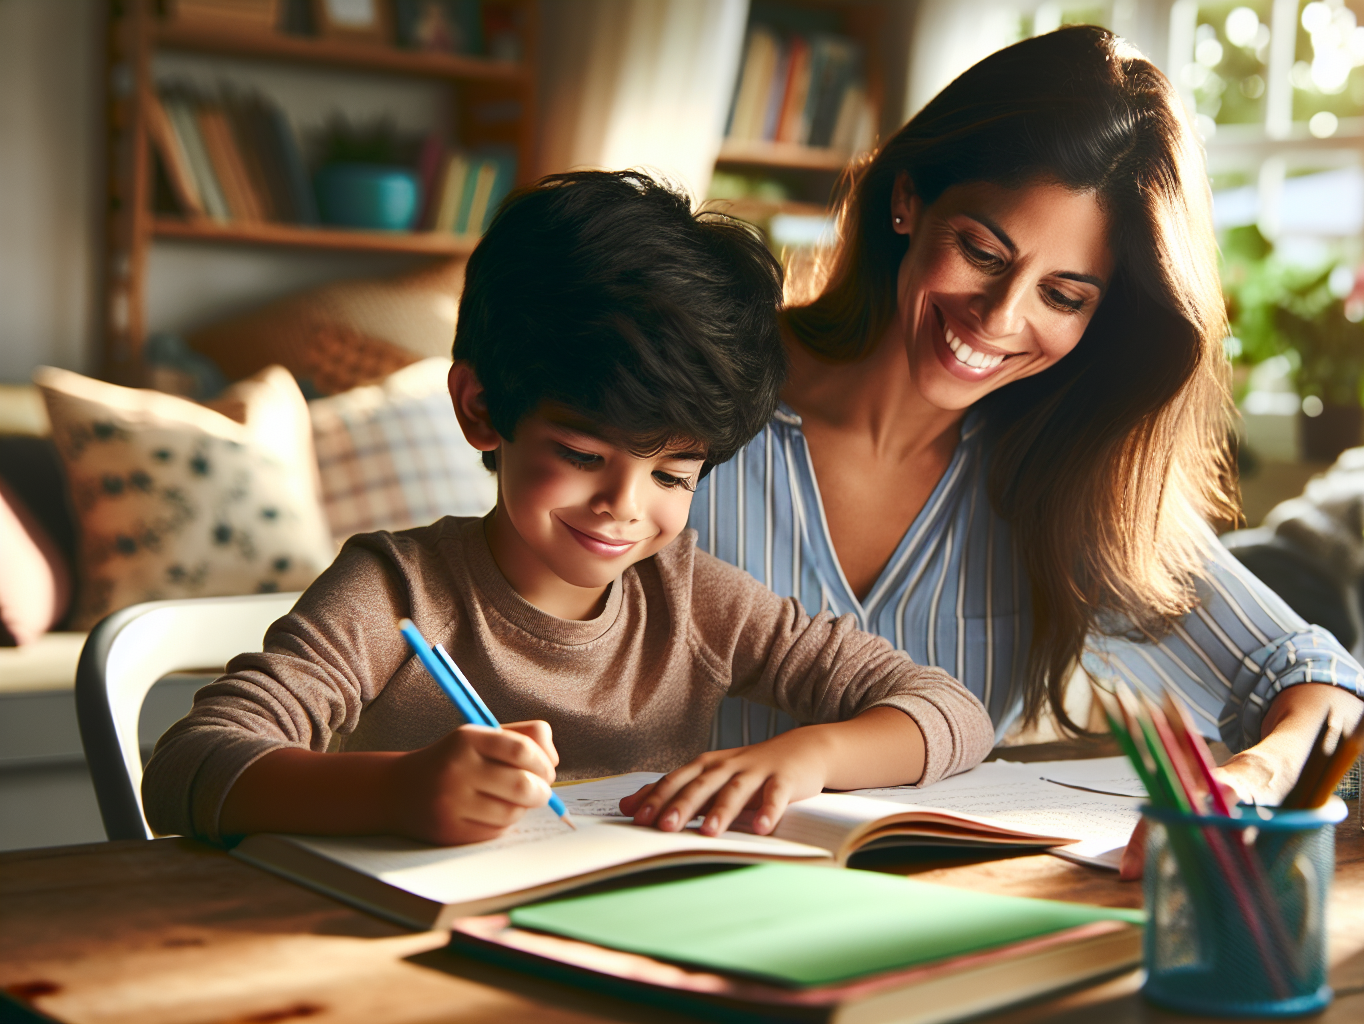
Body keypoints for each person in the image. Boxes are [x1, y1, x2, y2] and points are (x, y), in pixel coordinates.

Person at [690, 27, 1364, 874]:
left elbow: (1316, 681)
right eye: (982, 251)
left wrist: (1248, 782)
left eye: (1064, 294)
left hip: (950, 916)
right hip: (658, 887)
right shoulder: (690, 398)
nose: (1001, 318)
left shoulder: (1069, 479)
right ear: (908, 200)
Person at [141, 171, 993, 847]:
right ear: (480, 409)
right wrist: (398, 790)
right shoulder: (396, 594)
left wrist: (810, 755)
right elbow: (190, 766)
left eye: (673, 476)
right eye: (584, 456)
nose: (625, 508)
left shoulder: (693, 602)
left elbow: (953, 713)